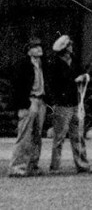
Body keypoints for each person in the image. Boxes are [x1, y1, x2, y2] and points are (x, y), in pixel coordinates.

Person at [46, 35, 92, 174]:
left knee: (78, 136)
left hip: (75, 103)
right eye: (69, 45)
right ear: (64, 48)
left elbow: (83, 74)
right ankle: (54, 167)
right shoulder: (54, 64)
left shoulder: (75, 61)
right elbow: (54, 85)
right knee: (59, 138)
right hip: (62, 105)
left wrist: (84, 77)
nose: (71, 47)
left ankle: (82, 165)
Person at [7, 36, 46, 177]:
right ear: (29, 51)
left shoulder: (42, 63)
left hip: (40, 100)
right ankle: (17, 166)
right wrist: (23, 105)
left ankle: (32, 165)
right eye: (35, 47)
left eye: (39, 46)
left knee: (37, 136)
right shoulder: (23, 65)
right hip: (29, 101)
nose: (39, 48)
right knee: (24, 136)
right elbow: (16, 87)